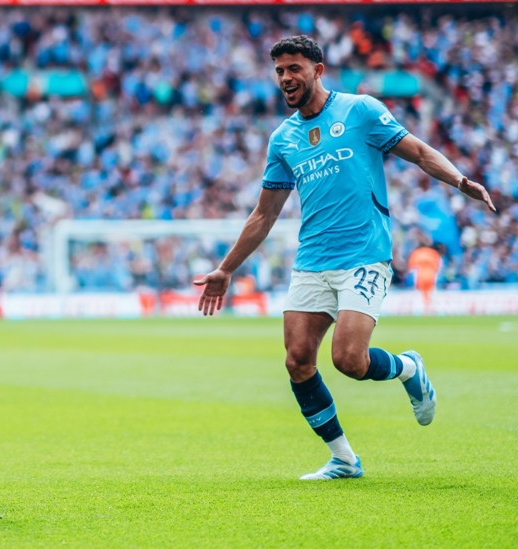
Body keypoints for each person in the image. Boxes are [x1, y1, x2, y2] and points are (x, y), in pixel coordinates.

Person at [193, 35, 496, 480]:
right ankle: (344, 459)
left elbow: (418, 152)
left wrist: (460, 180)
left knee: (350, 361)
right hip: (312, 260)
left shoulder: (361, 111)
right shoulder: (283, 139)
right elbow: (264, 213)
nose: (285, 78)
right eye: (279, 71)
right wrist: (226, 268)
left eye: (293, 68)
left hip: (363, 256)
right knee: (297, 360)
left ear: (318, 70)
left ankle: (409, 367)